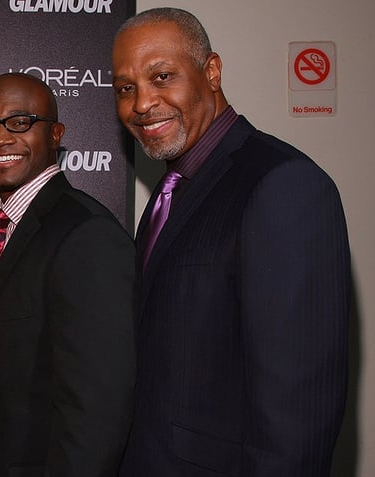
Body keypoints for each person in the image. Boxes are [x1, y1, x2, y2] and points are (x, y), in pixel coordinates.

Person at [112, 8, 351, 476]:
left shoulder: (284, 185)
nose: (141, 103)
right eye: (125, 88)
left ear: (212, 71)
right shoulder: (171, 193)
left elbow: (296, 420)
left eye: (162, 76)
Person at [0, 72, 136, 476]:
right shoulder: (9, 226)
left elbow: (96, 412)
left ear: (56, 134)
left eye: (20, 122)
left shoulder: (86, 233)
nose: (0, 137)